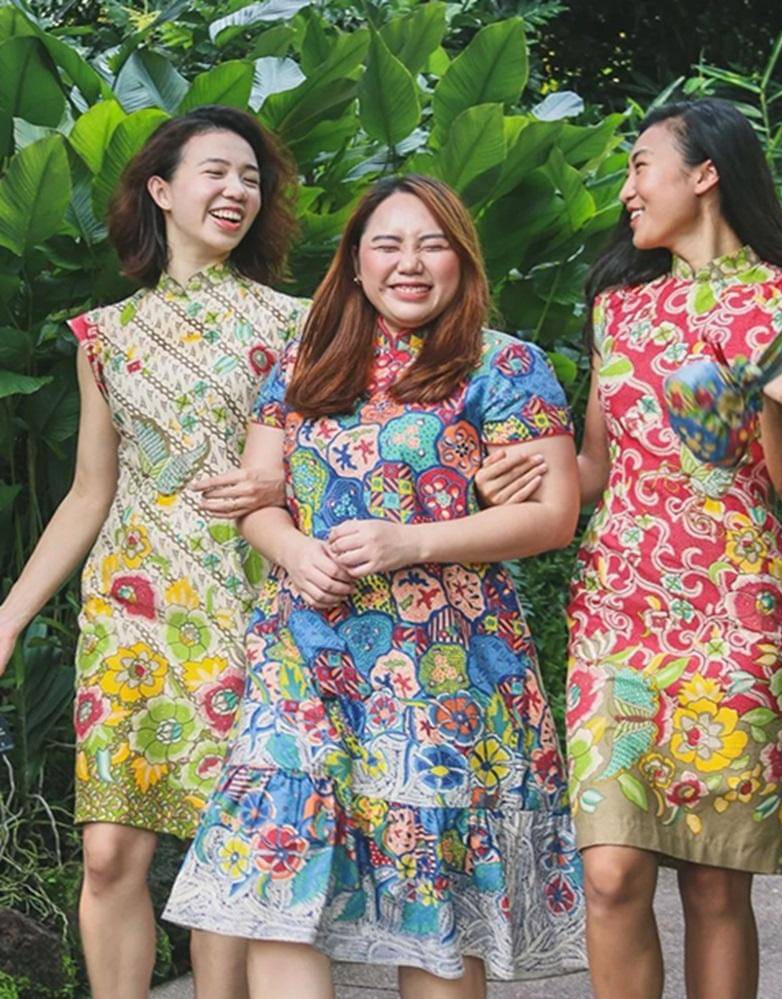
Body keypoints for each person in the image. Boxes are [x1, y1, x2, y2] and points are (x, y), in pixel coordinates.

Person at [163, 174, 586, 998]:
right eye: (388, 244)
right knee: (277, 887)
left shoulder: (506, 366)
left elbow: (553, 516)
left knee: (433, 914)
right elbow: (259, 496)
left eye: (432, 245)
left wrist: (413, 542)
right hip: (305, 656)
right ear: (355, 264)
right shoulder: (304, 363)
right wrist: (292, 550)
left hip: (441, 670)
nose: (410, 263)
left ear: (462, 260)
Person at [475, 98, 782, 999]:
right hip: (619, 609)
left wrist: (775, 401)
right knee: (612, 873)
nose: (627, 189)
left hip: (737, 611)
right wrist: (523, 470)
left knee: (714, 880)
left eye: (640, 165)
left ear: (706, 174)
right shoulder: (619, 308)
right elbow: (593, 465)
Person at [0, 105, 307, 998]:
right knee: (107, 854)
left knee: (227, 849)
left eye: (250, 178)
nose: (237, 190)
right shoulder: (104, 336)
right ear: (162, 191)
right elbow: (88, 491)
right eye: (217, 171)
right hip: (129, 613)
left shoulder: (296, 324)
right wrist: (9, 616)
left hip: (248, 602)